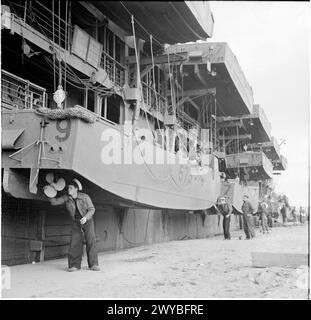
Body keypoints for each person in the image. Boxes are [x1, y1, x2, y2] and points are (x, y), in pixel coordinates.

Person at [48, 179, 100, 272]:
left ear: (76, 189)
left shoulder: (85, 197)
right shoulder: (67, 198)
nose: (69, 189)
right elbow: (54, 202)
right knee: (75, 242)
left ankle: (94, 264)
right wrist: (50, 191)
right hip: (76, 222)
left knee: (91, 241)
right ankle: (74, 265)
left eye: (71, 188)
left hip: (87, 221)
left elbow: (92, 209)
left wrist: (86, 217)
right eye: (68, 188)